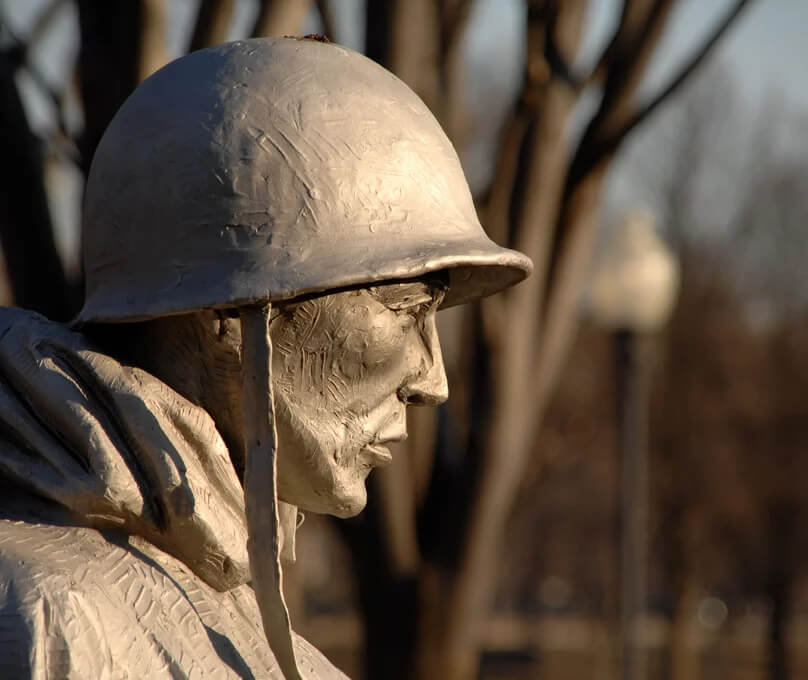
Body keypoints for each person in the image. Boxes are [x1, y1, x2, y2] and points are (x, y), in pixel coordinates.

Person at [0, 37, 531, 679]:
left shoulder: (274, 649)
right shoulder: (45, 616)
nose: (433, 381)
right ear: (229, 314)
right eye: (404, 309)